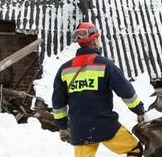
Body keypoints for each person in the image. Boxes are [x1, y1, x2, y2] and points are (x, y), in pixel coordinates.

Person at [52, 22, 145, 157]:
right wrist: (139, 110)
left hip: (80, 129)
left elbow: (58, 102)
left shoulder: (65, 69)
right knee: (135, 150)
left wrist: (62, 126)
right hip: (105, 125)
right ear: (95, 40)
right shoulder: (105, 64)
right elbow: (126, 92)